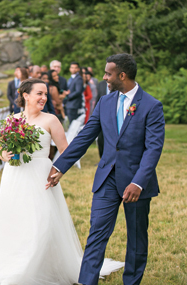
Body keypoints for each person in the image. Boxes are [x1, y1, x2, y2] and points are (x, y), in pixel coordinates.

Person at [0, 78, 124, 285]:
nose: (44, 98)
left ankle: (35, 267)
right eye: (39, 94)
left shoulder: (51, 120)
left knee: (41, 221)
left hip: (41, 175)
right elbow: (0, 148)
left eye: (45, 94)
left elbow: (66, 151)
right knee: (13, 218)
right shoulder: (12, 119)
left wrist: (59, 171)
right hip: (14, 176)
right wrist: (4, 154)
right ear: (25, 95)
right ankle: (11, 265)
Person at [47, 53, 165, 285]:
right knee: (97, 233)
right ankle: (86, 282)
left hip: (137, 182)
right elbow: (84, 137)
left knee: (137, 238)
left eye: (108, 73)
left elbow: (153, 149)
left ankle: (131, 281)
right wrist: (60, 166)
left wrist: (138, 182)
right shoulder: (105, 102)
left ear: (122, 75)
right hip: (107, 178)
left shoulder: (152, 106)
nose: (104, 77)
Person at [95, 79, 110, 158]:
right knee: (101, 137)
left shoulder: (118, 84)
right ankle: (102, 158)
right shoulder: (101, 84)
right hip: (102, 114)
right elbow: (98, 98)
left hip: (113, 114)